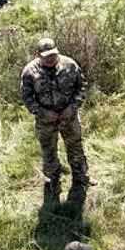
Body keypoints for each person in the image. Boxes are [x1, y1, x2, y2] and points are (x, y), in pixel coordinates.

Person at [20, 37, 90, 189]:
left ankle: (81, 177)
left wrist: (73, 107)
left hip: (69, 117)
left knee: (76, 147)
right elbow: (26, 97)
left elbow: (82, 86)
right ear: (38, 55)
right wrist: (42, 113)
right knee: (48, 150)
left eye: (53, 54)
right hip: (45, 121)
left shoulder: (70, 65)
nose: (51, 59)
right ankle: (53, 179)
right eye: (47, 56)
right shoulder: (30, 72)